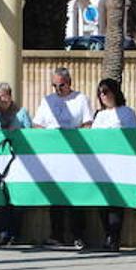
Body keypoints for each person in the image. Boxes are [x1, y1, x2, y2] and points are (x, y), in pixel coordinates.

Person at [33, 67, 92, 248]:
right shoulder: (47, 101)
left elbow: (88, 124)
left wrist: (72, 135)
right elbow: (37, 125)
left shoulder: (80, 99)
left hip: (75, 156)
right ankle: (56, 234)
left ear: (69, 82)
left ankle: (78, 235)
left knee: (75, 196)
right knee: (55, 196)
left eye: (61, 85)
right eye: (55, 86)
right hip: (54, 157)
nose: (58, 89)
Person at [92, 78, 136, 251]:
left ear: (114, 92)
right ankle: (107, 234)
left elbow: (131, 136)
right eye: (100, 93)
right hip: (102, 165)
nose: (103, 96)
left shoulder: (126, 112)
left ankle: (115, 237)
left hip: (120, 165)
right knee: (102, 202)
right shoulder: (99, 115)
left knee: (115, 203)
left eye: (106, 92)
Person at [0, 83, 30, 247]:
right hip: (1, 162)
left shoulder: (21, 113)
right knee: (2, 198)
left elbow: (30, 133)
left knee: (17, 199)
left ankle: (15, 234)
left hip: (19, 161)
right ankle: (3, 233)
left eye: (5, 95)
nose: (2, 99)